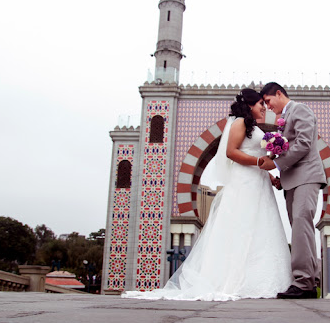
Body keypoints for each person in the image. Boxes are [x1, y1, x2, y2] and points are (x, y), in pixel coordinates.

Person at [123, 88, 292, 301]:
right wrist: (260, 161)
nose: (264, 107)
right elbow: (231, 152)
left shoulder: (252, 127)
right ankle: (236, 280)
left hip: (258, 184)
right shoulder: (239, 123)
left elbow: (253, 158)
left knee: (260, 227)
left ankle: (260, 279)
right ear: (250, 105)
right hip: (244, 185)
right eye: (260, 104)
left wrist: (270, 175)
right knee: (243, 227)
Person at [259, 82, 327, 299]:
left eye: (268, 101)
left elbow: (305, 143)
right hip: (292, 180)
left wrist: (277, 165)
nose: (268, 107)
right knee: (300, 228)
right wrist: (280, 176)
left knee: (301, 222)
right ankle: (308, 280)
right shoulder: (283, 120)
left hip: (307, 176)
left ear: (279, 93)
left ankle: (304, 282)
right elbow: (290, 147)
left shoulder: (300, 109)